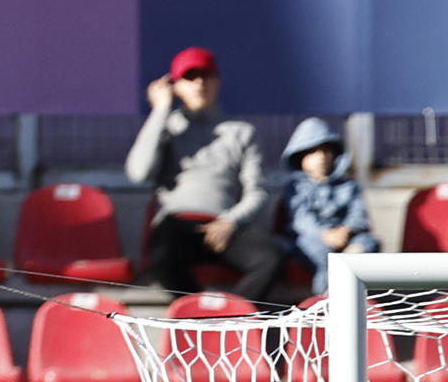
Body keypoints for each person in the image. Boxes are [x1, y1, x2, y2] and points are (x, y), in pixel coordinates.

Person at [125, 47, 283, 301]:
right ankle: (198, 316)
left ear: (217, 82)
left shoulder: (241, 132)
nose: (199, 83)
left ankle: (231, 317)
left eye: (206, 76)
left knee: (270, 259)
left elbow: (258, 191)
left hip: (226, 224)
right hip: (178, 224)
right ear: (175, 86)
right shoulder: (166, 128)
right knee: (161, 256)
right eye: (190, 77)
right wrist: (160, 110)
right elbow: (138, 172)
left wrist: (230, 221)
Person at [278, 117, 380, 295]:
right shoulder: (295, 188)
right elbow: (301, 219)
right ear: (299, 156)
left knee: (368, 244)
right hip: (312, 239)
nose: (321, 157)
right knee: (322, 255)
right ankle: (325, 297)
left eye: (326, 151)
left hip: (346, 238)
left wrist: (346, 230)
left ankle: (356, 296)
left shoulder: (348, 186)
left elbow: (358, 213)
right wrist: (325, 234)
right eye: (312, 152)